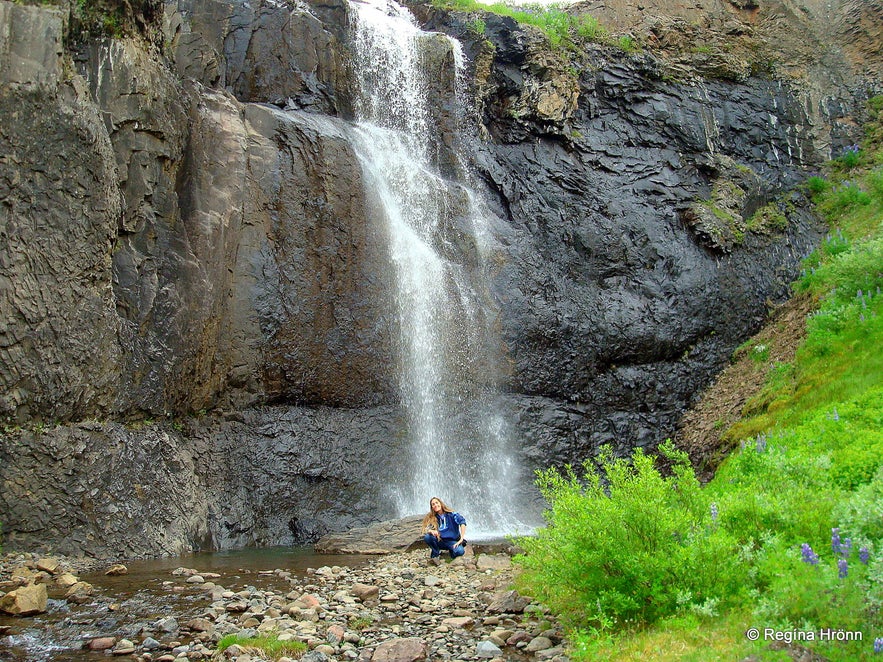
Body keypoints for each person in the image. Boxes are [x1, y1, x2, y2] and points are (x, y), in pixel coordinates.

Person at [422, 496, 467, 564]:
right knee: (427, 537)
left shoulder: (452, 514)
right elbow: (425, 529)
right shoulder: (432, 517)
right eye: (433, 504)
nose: (435, 505)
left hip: (452, 541)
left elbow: (462, 522)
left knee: (460, 551)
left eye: (436, 503)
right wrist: (431, 531)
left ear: (441, 503)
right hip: (440, 541)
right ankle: (436, 552)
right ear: (432, 508)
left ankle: (452, 554)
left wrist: (461, 539)